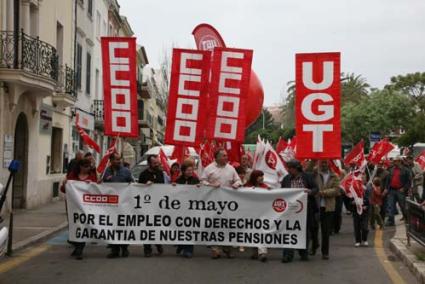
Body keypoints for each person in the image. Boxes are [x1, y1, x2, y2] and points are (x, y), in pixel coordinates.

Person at [200, 148, 242, 259]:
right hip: (213, 203)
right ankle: (215, 248)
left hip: (228, 203)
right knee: (214, 225)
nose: (226, 157)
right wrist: (210, 185)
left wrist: (236, 184)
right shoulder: (209, 168)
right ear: (217, 157)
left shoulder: (231, 168)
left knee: (227, 225)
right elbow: (202, 181)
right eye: (223, 155)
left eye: (226, 155)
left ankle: (227, 248)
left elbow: (238, 180)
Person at [281, 160, 318, 263]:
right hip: (290, 210)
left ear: (296, 168)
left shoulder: (307, 177)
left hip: (306, 209)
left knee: (304, 231)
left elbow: (316, 188)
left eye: (290, 168)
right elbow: (282, 191)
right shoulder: (286, 179)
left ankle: (303, 252)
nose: (288, 170)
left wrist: (310, 192)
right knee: (289, 231)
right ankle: (288, 255)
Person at [64, 158, 97, 260]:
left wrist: (92, 184)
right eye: (85, 166)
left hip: (87, 207)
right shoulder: (73, 175)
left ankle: (79, 249)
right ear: (80, 166)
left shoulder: (92, 176)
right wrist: (65, 183)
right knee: (75, 226)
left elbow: (97, 189)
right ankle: (76, 246)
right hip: (74, 207)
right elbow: (64, 189)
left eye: (89, 166)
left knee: (83, 227)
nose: (87, 168)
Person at [103, 152, 134, 258]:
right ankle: (114, 250)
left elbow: (132, 184)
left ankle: (124, 248)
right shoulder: (106, 171)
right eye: (116, 159)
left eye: (119, 159)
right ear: (111, 161)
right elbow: (103, 185)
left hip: (123, 204)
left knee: (123, 227)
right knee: (112, 227)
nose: (119, 161)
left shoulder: (126, 171)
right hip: (111, 205)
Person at [138, 155, 165, 257]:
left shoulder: (160, 173)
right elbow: (138, 189)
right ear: (149, 164)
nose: (157, 164)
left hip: (157, 205)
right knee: (146, 227)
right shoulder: (143, 174)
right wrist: (145, 185)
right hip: (146, 205)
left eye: (157, 162)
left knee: (157, 227)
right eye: (154, 163)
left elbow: (163, 187)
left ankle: (158, 245)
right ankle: (147, 249)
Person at [314, 160, 340, 260]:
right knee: (313, 229)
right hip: (316, 206)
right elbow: (306, 171)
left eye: (325, 163)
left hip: (328, 207)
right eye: (322, 162)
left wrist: (323, 193)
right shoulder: (316, 174)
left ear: (329, 164)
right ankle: (314, 245)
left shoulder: (335, 176)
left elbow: (336, 190)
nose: (323, 164)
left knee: (325, 231)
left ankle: (325, 252)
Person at [173, 163, 200, 258]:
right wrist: (173, 186)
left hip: (191, 209)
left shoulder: (195, 180)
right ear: (184, 171)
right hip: (181, 209)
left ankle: (188, 250)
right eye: (188, 170)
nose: (190, 172)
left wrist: (199, 188)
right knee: (181, 228)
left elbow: (200, 193)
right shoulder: (178, 180)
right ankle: (181, 245)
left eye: (191, 170)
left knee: (190, 229)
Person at [244, 170, 270, 262]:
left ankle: (262, 252)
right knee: (252, 232)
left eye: (262, 176)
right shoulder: (247, 187)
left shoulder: (266, 187)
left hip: (263, 214)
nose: (262, 178)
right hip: (250, 214)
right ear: (255, 177)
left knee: (262, 232)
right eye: (259, 176)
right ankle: (255, 251)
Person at [385, 156, 411, 226]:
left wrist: (404, 188)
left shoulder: (406, 170)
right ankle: (391, 221)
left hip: (400, 191)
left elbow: (409, 181)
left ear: (399, 161)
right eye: (394, 161)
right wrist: (386, 188)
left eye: (396, 161)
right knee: (390, 206)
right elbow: (388, 180)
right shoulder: (391, 169)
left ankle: (407, 218)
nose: (394, 162)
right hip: (392, 190)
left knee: (402, 206)